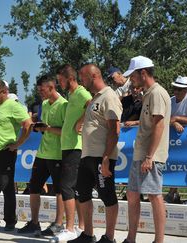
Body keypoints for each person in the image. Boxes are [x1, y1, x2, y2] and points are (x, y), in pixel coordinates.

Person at [69, 64, 122, 243]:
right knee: (82, 193)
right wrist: (80, 122)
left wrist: (106, 158)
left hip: (101, 156)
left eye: (83, 77)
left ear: (93, 76)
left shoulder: (109, 96)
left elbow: (114, 130)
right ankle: (88, 234)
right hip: (87, 155)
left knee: (107, 195)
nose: (81, 81)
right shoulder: (95, 99)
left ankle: (109, 237)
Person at [122, 56, 171, 243]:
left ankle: (159, 241)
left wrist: (150, 156)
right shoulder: (149, 93)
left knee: (154, 195)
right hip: (141, 153)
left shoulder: (157, 93)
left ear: (143, 73)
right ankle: (130, 238)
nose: (131, 79)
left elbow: (158, 125)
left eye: (133, 75)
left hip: (150, 155)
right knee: (132, 194)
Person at [0, 80, 33, 231]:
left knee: (7, 188)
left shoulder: (13, 106)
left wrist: (17, 144)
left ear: (4, 92)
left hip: (4, 152)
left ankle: (10, 221)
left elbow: (28, 124)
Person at [17, 74, 68, 237]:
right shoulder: (44, 104)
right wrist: (39, 127)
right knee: (33, 186)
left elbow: (66, 131)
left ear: (52, 87)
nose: (40, 93)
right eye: (38, 90)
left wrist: (47, 129)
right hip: (43, 152)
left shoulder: (64, 105)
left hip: (58, 153)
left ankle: (59, 223)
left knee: (60, 190)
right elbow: (46, 127)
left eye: (42, 89)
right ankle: (34, 223)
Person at [51, 64, 92, 242]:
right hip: (68, 145)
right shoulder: (71, 94)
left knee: (66, 187)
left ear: (70, 78)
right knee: (73, 188)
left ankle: (69, 228)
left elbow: (93, 103)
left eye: (61, 80)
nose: (59, 84)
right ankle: (80, 227)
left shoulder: (82, 92)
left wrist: (81, 121)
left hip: (76, 145)